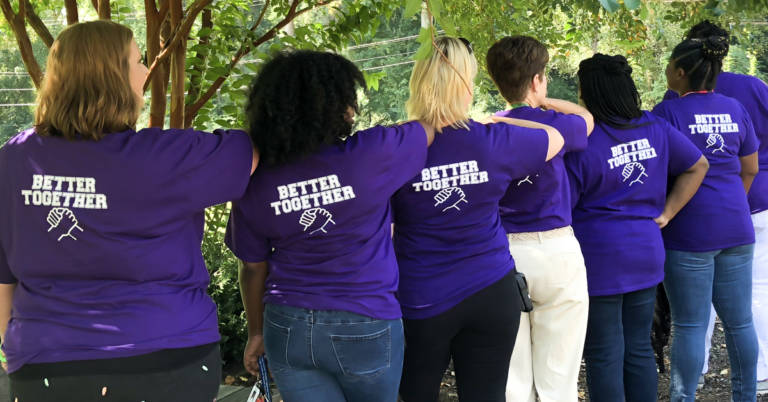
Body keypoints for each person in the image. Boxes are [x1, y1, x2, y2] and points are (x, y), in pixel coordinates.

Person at [0, 21, 258, 401]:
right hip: (167, 358)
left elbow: (4, 279)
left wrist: (21, 350)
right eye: (138, 60)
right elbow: (252, 151)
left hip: (47, 364)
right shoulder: (166, 157)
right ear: (115, 78)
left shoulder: (14, 161)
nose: (146, 70)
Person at [225, 50, 434, 402]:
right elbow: (427, 128)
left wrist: (256, 332)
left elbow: (252, 267)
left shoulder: (255, 180)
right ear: (338, 106)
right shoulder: (372, 153)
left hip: (287, 325)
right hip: (365, 320)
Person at [392, 36, 565, 402]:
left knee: (414, 395)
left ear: (418, 81)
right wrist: (500, 120)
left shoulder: (396, 146)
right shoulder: (494, 139)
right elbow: (554, 136)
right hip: (492, 290)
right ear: (467, 84)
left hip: (422, 296)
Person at [566, 53, 708, 402]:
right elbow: (698, 164)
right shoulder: (653, 126)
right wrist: (667, 213)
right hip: (645, 251)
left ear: (590, 93)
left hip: (599, 257)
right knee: (639, 347)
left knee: (604, 352)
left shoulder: (583, 141)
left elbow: (565, 204)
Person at [485, 35, 594, 402]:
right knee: (559, 378)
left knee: (512, 377)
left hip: (502, 253)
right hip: (557, 248)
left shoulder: (487, 129)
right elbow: (586, 118)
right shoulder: (557, 125)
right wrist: (544, 102)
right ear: (536, 80)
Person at [652, 35, 760, 401]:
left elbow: (658, 171)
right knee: (739, 322)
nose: (666, 70)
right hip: (736, 225)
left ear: (680, 73)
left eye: (669, 65)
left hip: (689, 230)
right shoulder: (734, 107)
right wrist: (731, 204)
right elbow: (750, 169)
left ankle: (683, 398)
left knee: (690, 325)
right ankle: (744, 396)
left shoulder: (667, 113)